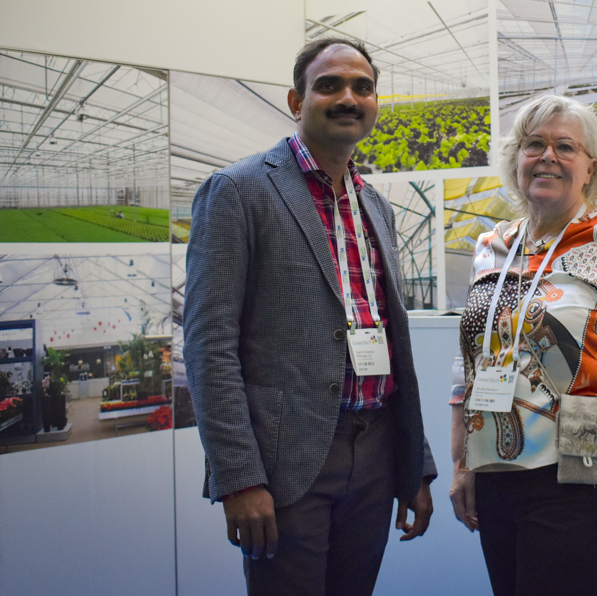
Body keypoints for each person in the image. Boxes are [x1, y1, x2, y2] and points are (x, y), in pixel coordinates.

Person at [184, 38, 436, 596]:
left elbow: (393, 344)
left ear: (374, 103)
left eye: (362, 87)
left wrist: (413, 462)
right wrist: (238, 478)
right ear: (297, 101)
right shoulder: (238, 191)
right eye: (329, 85)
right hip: (286, 463)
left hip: (376, 453)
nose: (348, 98)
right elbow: (208, 347)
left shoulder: (376, 206)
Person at [448, 95, 597, 596]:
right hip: (495, 465)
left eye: (565, 146)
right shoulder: (492, 245)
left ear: (591, 167)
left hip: (580, 463)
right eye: (534, 144)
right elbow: (469, 361)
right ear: (517, 159)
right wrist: (462, 463)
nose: (547, 156)